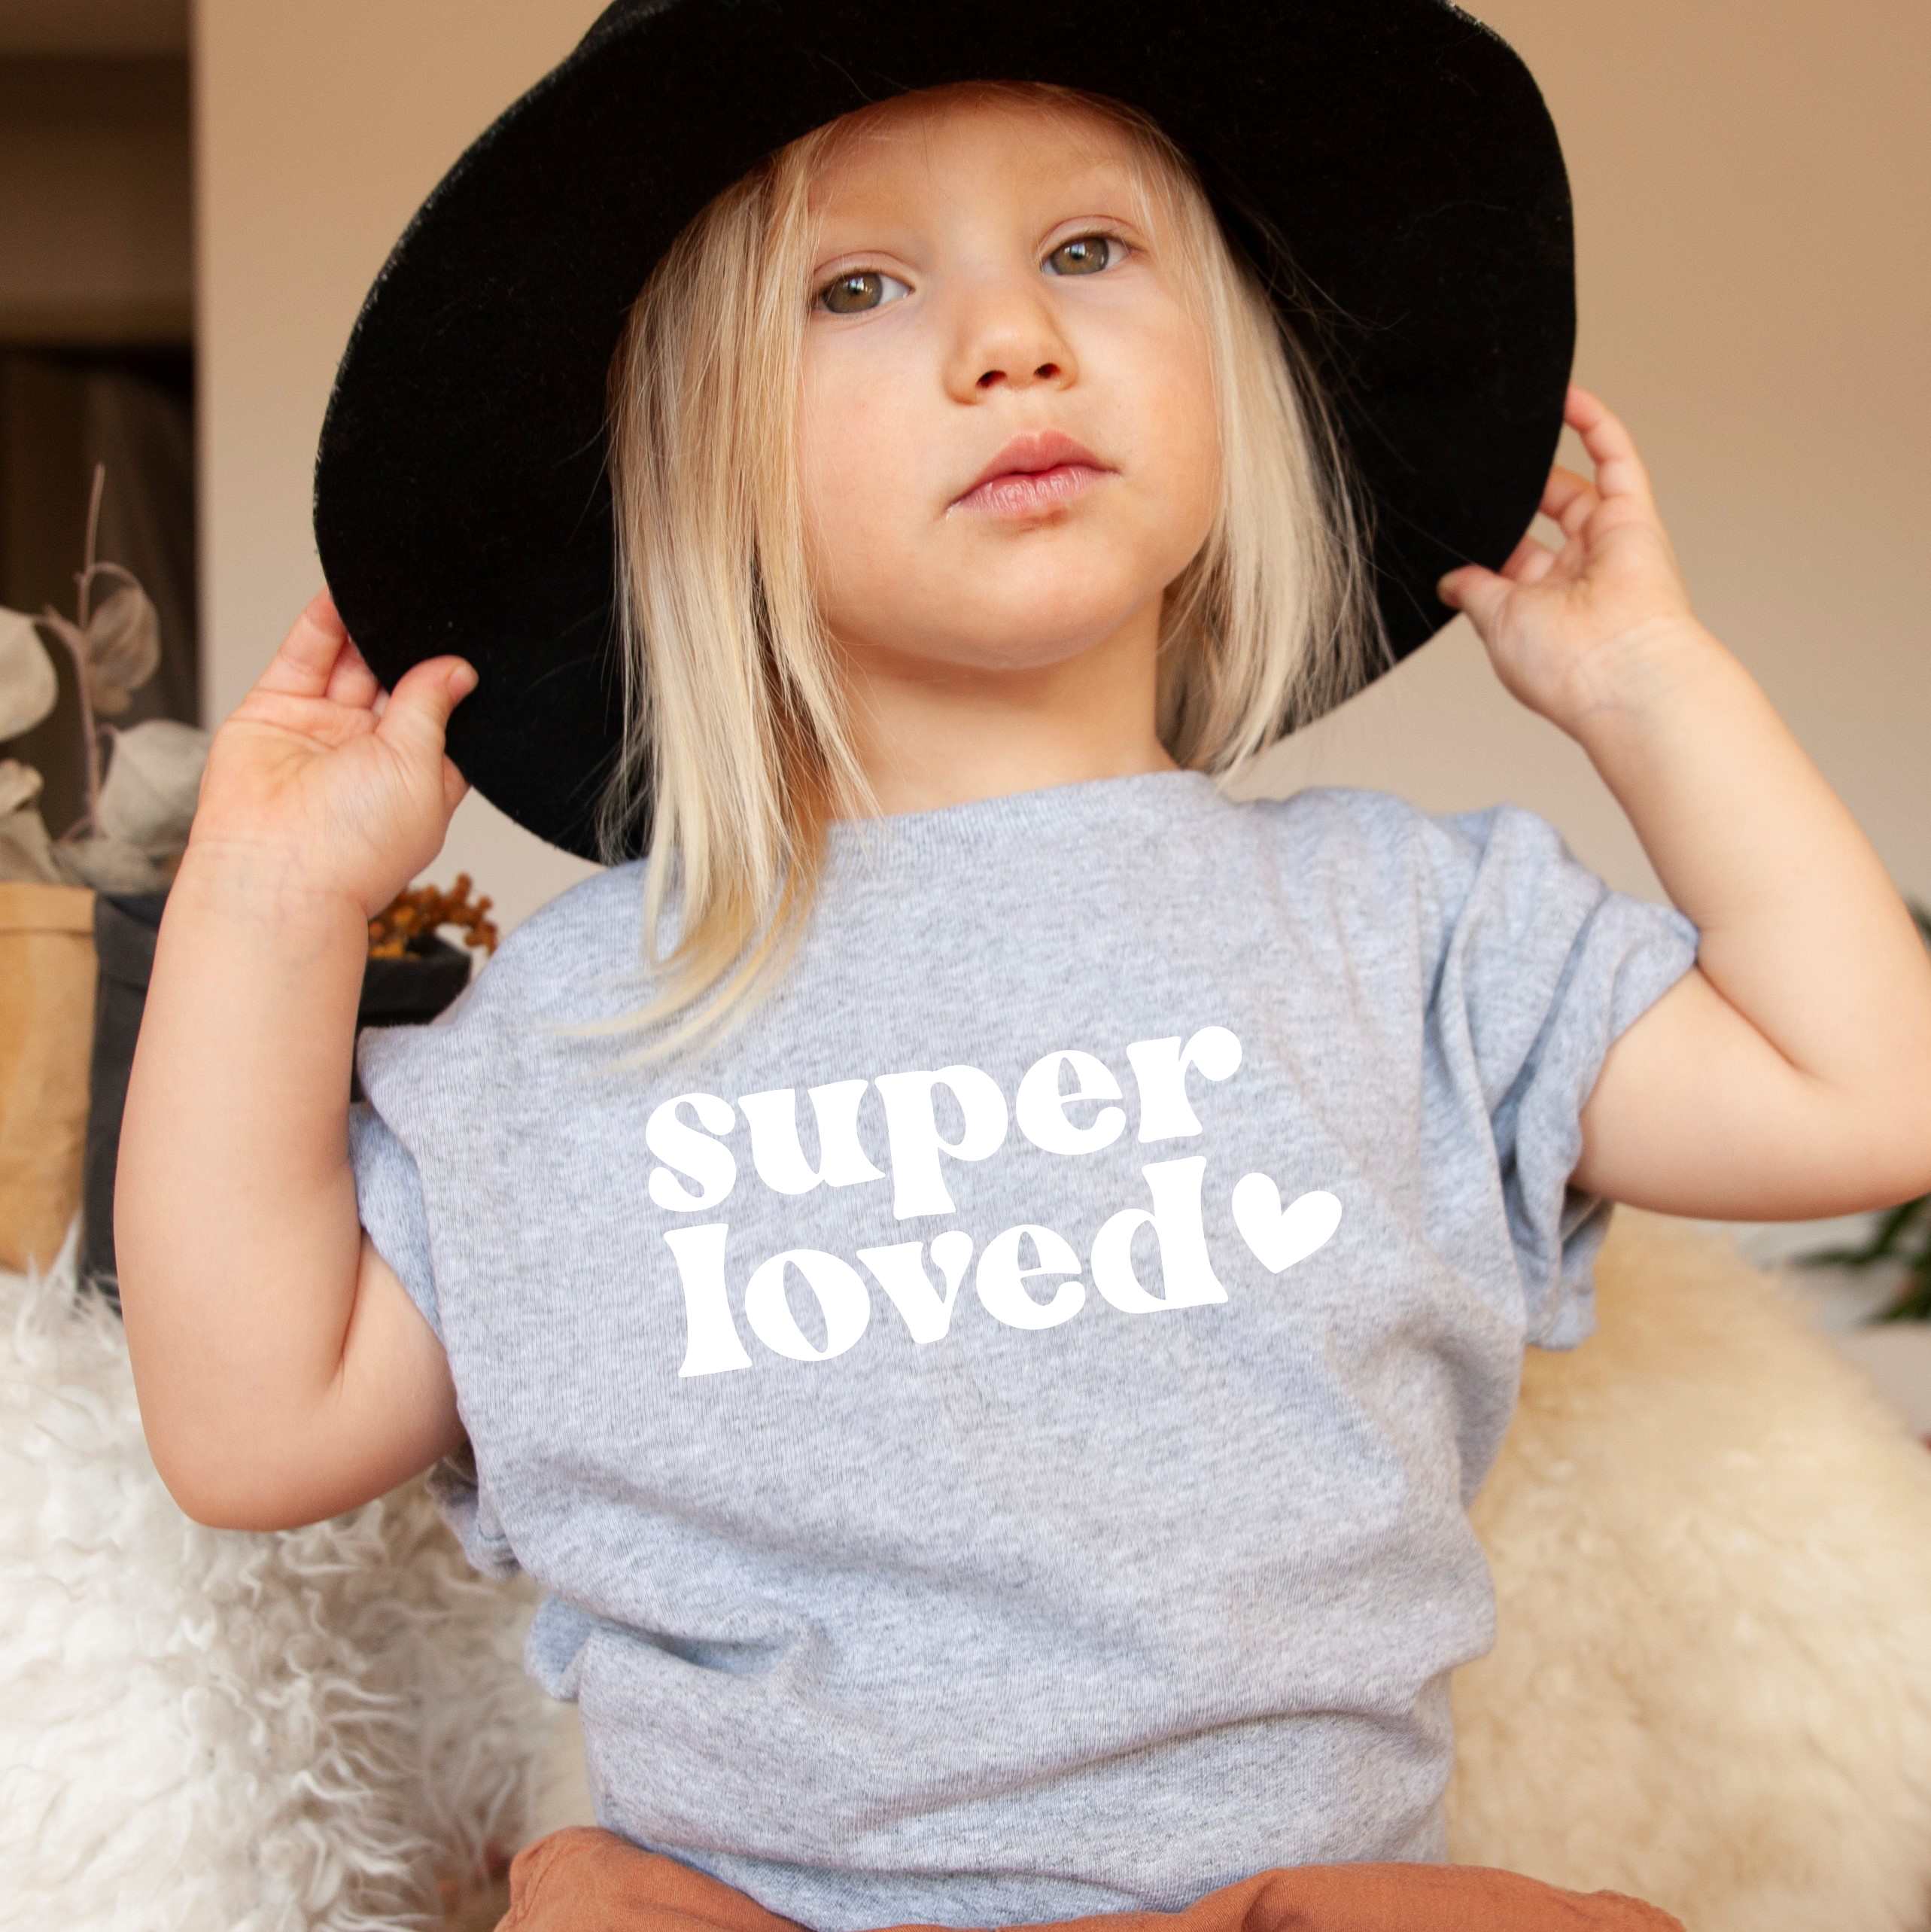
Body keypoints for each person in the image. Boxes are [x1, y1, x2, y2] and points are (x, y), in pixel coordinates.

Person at [115, 4, 1931, 1929]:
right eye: (858, 286)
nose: (1010, 338)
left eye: (1084, 248)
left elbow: (1863, 1093)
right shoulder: (569, 1027)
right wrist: (264, 894)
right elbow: (251, 1425)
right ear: (691, 465)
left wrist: (1645, 687)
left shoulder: (1410, 929)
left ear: (1237, 375)